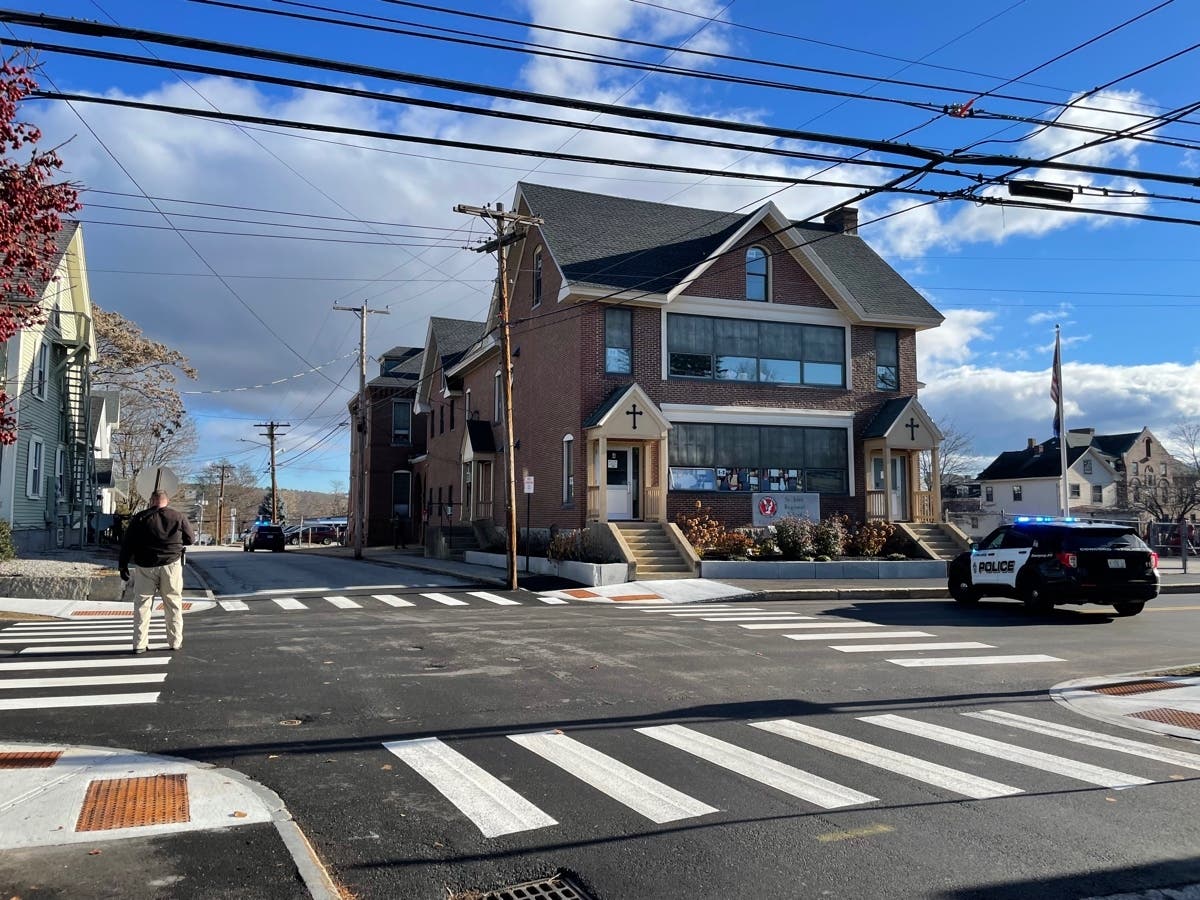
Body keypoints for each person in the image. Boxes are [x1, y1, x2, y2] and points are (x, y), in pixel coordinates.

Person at [119, 490, 195, 654]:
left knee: (142, 605)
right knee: (173, 603)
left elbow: (127, 543)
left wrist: (123, 565)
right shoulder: (178, 516)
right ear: (166, 501)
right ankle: (175, 641)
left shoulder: (140, 518)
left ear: (151, 500)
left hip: (145, 565)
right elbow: (190, 539)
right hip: (171, 565)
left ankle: (139, 644)